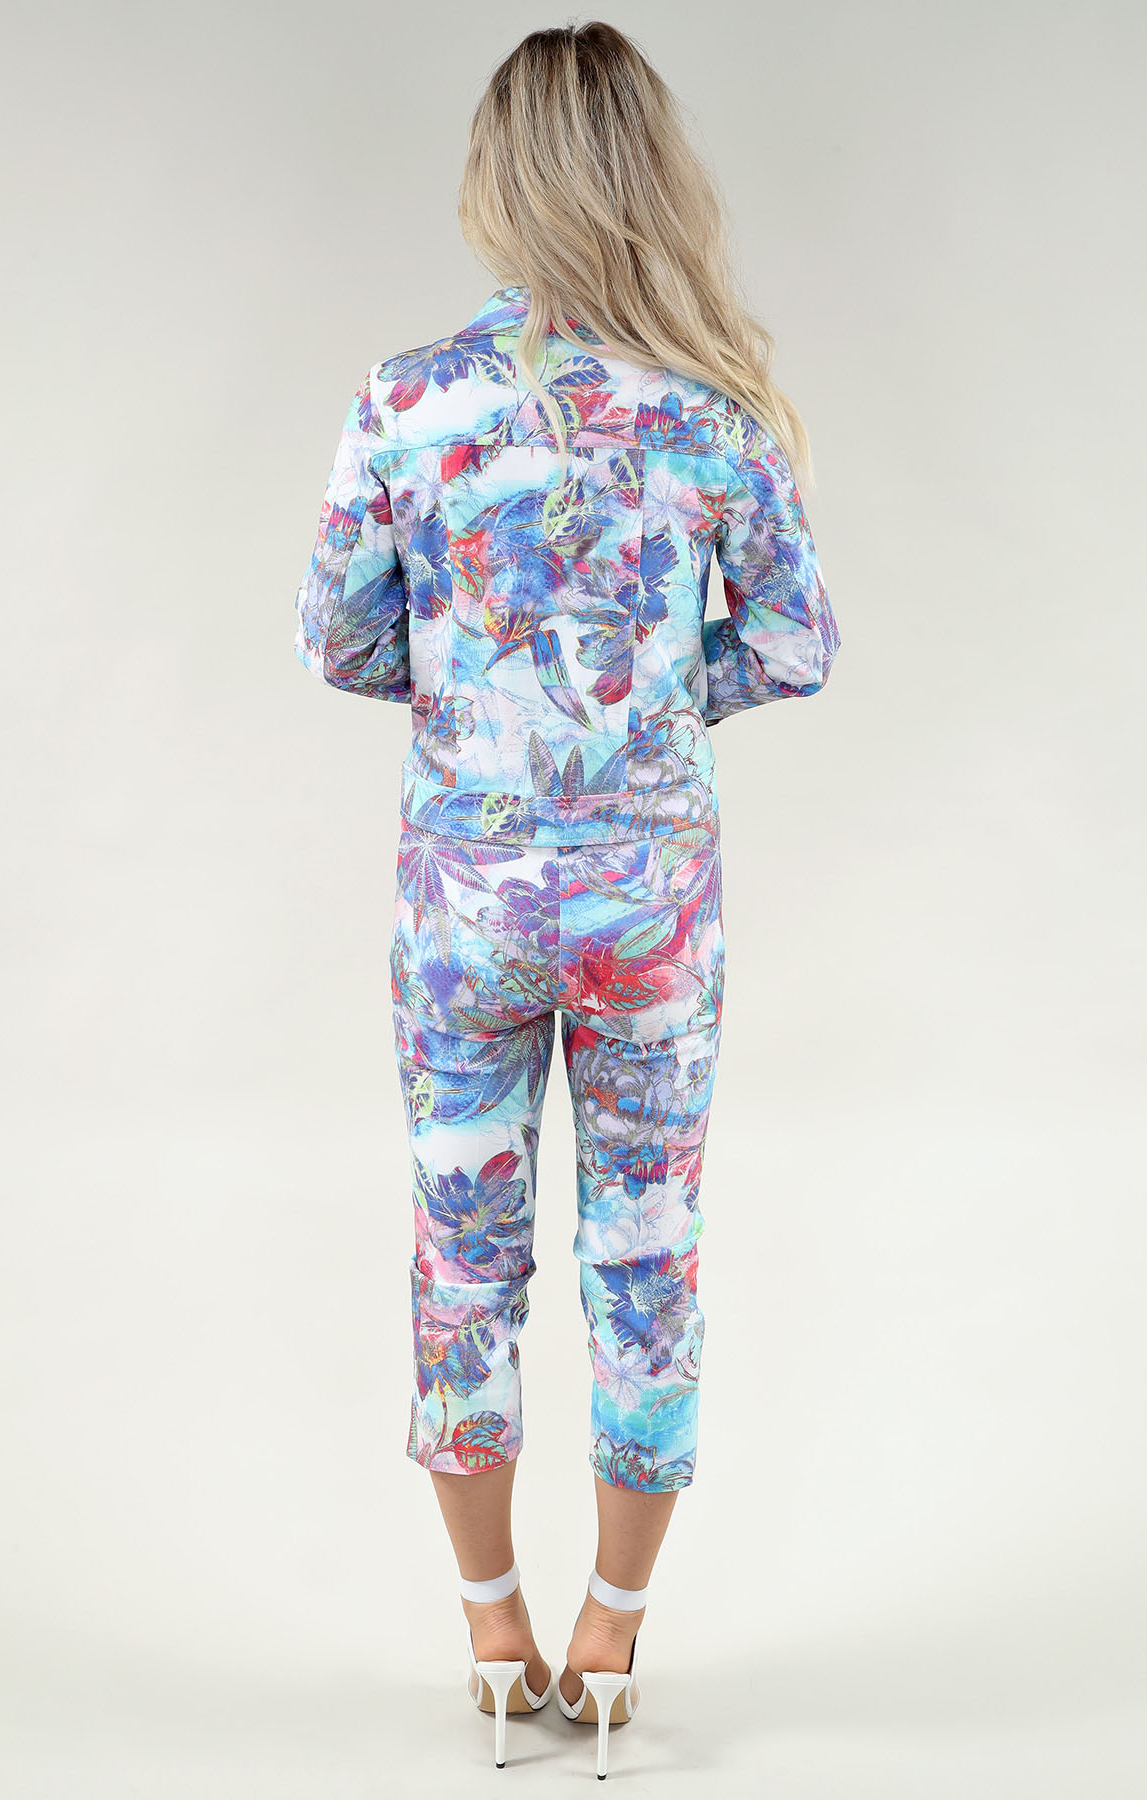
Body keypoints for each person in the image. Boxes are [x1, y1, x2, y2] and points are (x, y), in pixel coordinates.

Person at [292, 20, 840, 1778]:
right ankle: (612, 1638)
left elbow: (336, 640)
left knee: (463, 1254)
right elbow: (798, 646)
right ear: (651, 180)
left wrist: (480, 705)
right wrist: (648, 705)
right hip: (648, 909)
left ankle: (490, 1631)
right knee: (647, 1251)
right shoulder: (713, 410)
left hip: (464, 901)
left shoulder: (407, 401)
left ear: (497, 183)